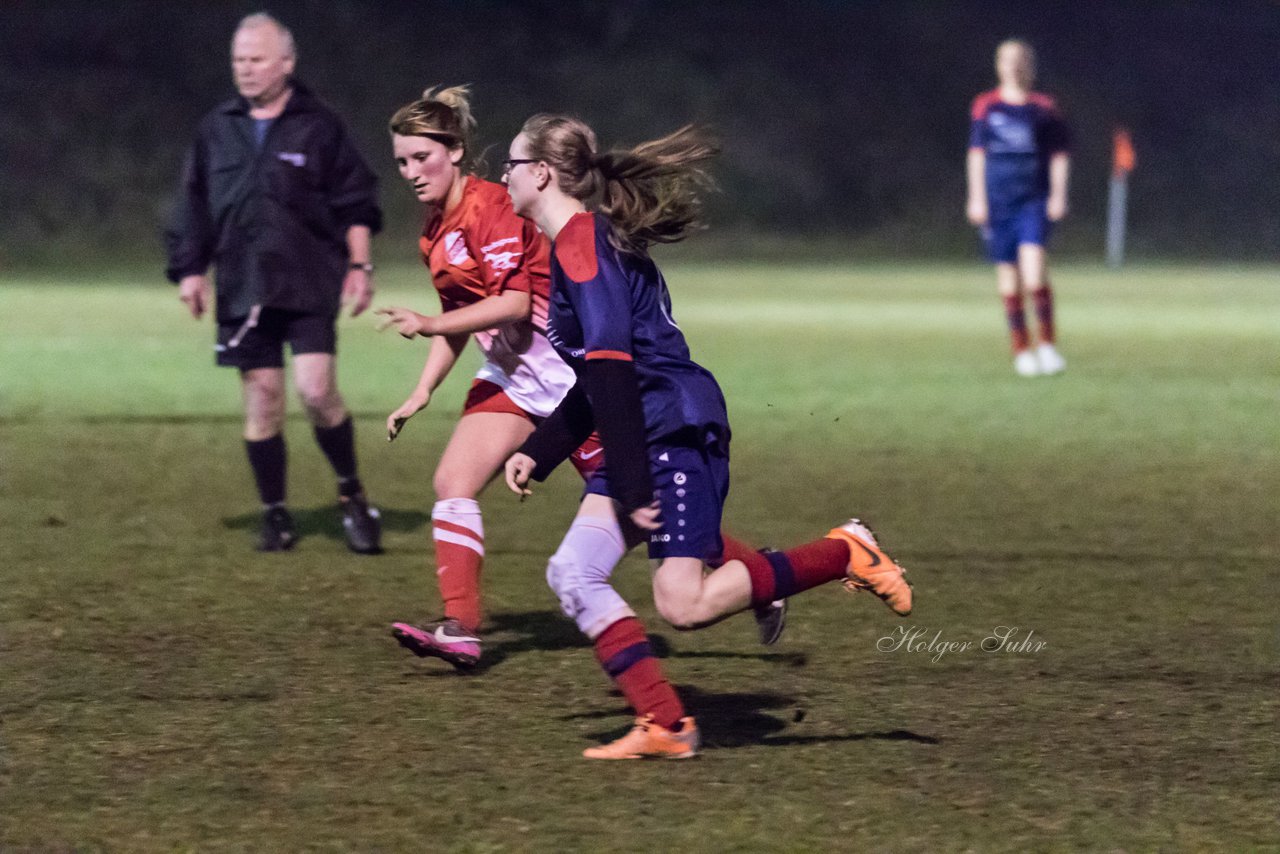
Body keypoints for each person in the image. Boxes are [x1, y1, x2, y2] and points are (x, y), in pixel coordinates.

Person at [502, 115, 913, 759]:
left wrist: (633, 481)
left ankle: (844, 553)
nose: (503, 176)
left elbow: (612, 369)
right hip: (644, 424)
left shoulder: (583, 244)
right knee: (574, 572)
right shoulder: (583, 241)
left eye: (510, 164)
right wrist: (542, 449)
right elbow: (602, 374)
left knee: (683, 606)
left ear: (541, 174)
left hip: (671, 425)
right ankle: (665, 724)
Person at [375, 87, 785, 674]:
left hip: (571, 383)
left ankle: (762, 575)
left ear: (456, 152)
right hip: (515, 379)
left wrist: (431, 322)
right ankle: (460, 628)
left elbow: (516, 304)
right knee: (452, 480)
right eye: (401, 162)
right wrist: (424, 389)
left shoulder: (496, 208)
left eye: (421, 158)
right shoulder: (433, 233)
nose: (411, 172)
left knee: (653, 511)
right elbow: (457, 320)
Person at [164, 12, 383, 553]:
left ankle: (351, 495)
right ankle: (275, 513)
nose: (246, 69)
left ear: (286, 63)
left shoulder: (320, 125)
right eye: (239, 60)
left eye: (257, 59)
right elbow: (192, 204)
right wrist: (191, 269)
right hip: (243, 284)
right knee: (262, 400)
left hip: (309, 280)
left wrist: (360, 266)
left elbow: (355, 200)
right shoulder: (217, 127)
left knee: (315, 391)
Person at [966, 39, 1071, 377]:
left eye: (1019, 60)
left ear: (1030, 67)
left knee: (1034, 269)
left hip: (1033, 199)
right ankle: (1021, 349)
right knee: (1009, 279)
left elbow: (1059, 155)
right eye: (1006, 60)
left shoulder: (1044, 108)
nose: (1012, 66)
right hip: (998, 203)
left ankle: (1048, 346)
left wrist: (1058, 194)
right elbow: (977, 155)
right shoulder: (986, 106)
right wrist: (977, 197)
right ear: (998, 65)